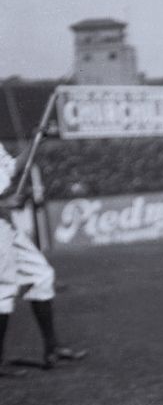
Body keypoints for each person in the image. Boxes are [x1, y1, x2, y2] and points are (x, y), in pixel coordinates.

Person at [0, 143, 87, 375]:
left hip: (5, 225)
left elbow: (11, 168)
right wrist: (2, 203)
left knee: (41, 275)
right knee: (4, 289)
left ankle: (52, 348)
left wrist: (34, 142)